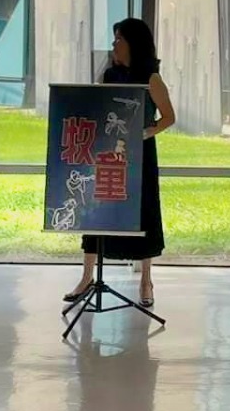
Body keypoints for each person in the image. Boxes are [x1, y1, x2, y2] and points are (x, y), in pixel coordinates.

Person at [66, 17, 175, 308]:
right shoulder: (109, 75)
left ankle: (146, 280)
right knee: (97, 211)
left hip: (140, 155)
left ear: (133, 44)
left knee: (143, 212)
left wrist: (145, 133)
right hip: (108, 153)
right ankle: (87, 276)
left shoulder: (151, 78)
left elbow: (168, 117)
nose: (114, 45)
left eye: (119, 39)